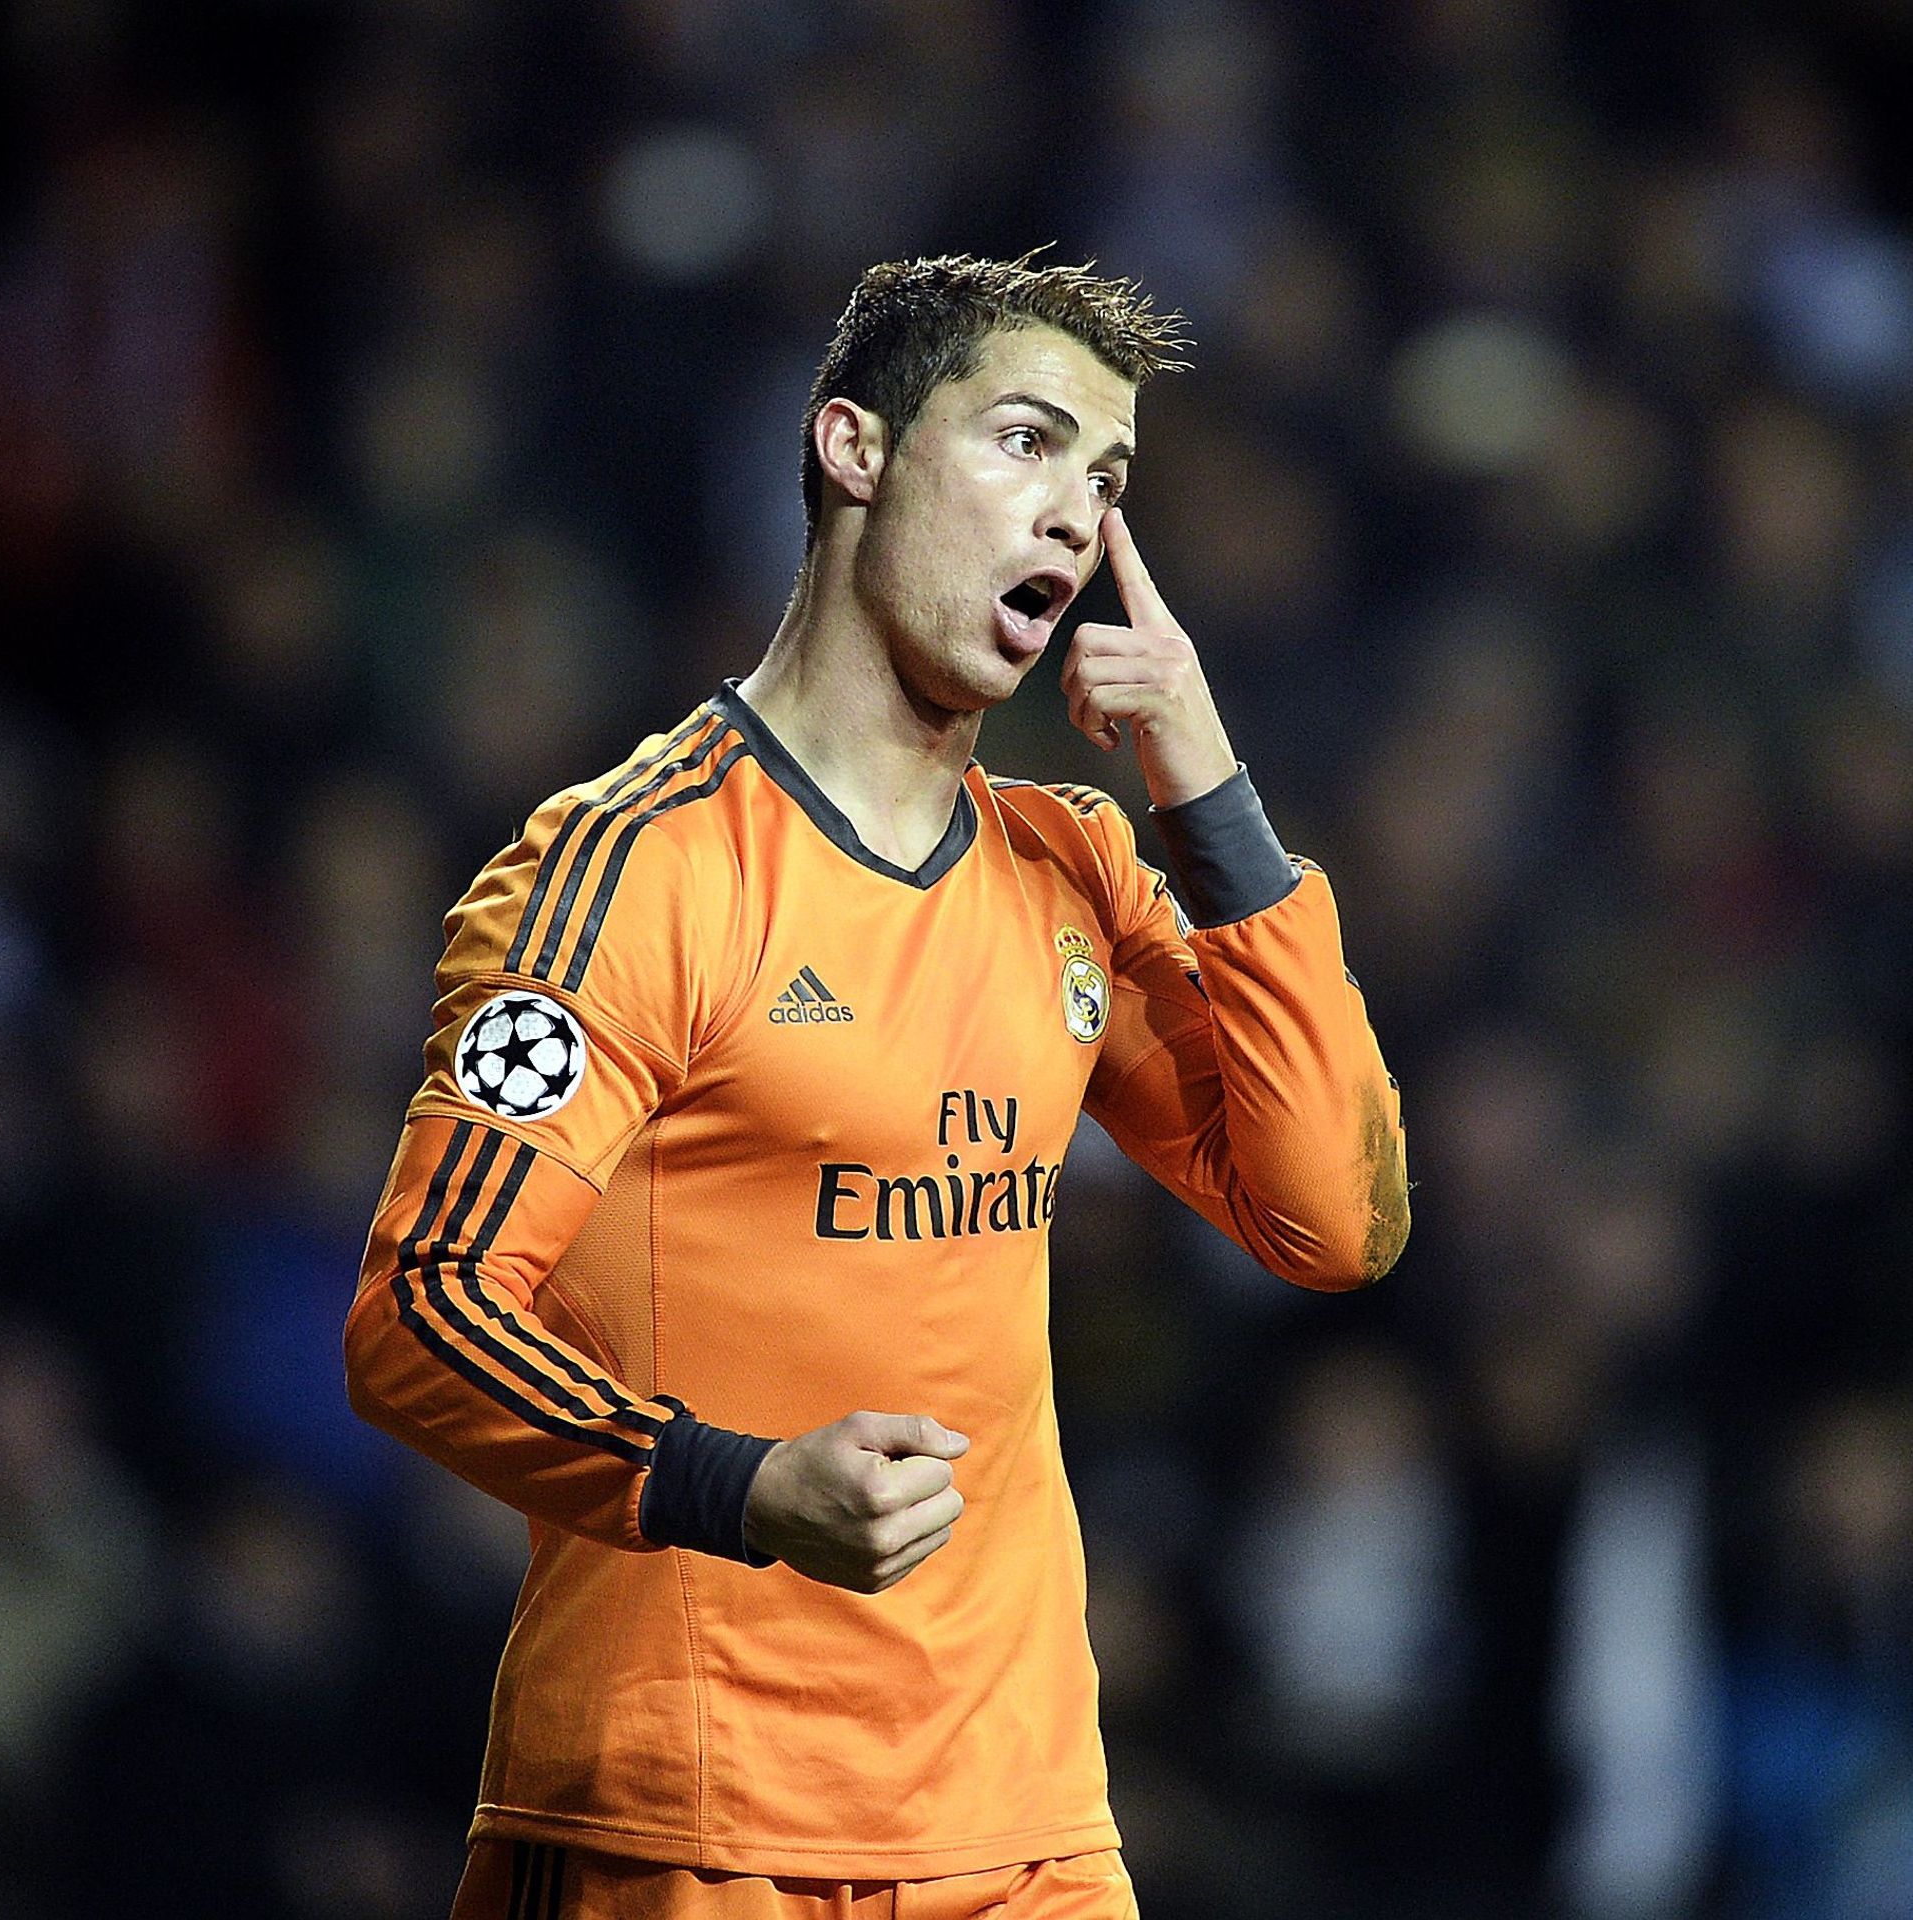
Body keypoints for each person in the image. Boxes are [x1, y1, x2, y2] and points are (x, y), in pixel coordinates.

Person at [345, 252, 1409, 1920]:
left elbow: (1332, 1220)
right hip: (687, 1827)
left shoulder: (1079, 871)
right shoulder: (630, 875)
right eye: (1029, 442)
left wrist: (1213, 800)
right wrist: (738, 1484)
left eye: (1111, 480)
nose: (1077, 516)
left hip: (1027, 1831)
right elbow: (420, 1310)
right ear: (854, 446)